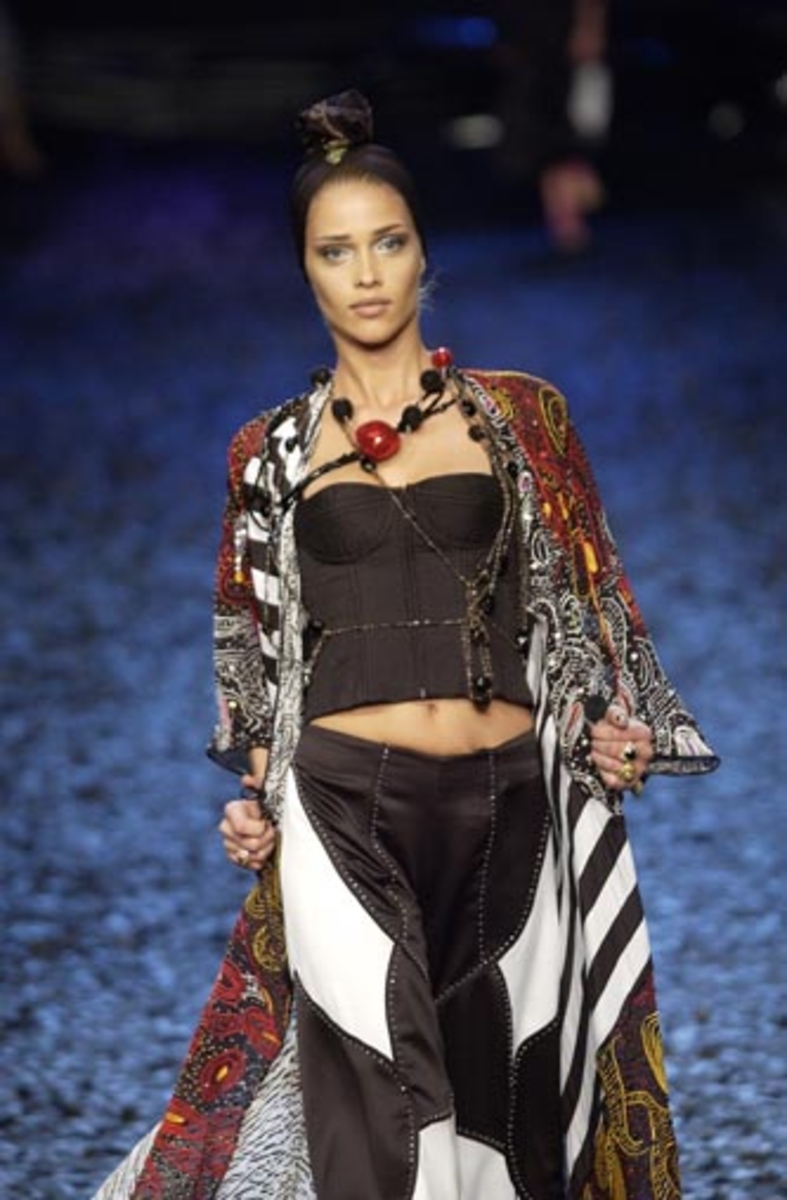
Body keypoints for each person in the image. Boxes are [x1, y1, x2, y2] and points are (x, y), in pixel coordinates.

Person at [92, 89, 718, 1200]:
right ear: (305, 272)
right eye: (335, 252)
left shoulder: (519, 419)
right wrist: (256, 796)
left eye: (388, 242)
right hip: (342, 808)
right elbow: (255, 652)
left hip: (510, 810)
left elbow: (584, 609)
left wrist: (610, 730)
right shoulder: (268, 453)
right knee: (388, 1107)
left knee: (502, 1122)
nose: (367, 274)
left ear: (425, 251)